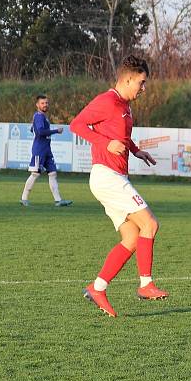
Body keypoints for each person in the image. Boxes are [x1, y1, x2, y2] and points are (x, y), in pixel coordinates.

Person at [71, 55, 166, 317]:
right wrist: (104, 144)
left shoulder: (124, 105)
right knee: (150, 224)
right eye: (141, 83)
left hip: (115, 177)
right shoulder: (107, 100)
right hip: (107, 176)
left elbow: (121, 136)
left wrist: (136, 151)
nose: (144, 88)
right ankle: (145, 284)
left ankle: (97, 288)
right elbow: (76, 125)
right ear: (127, 79)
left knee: (133, 238)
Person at [19, 95, 73, 207]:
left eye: (46, 103)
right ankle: (24, 199)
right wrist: (56, 131)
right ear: (37, 105)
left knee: (52, 173)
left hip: (47, 149)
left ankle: (58, 200)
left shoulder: (42, 117)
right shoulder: (39, 116)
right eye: (42, 103)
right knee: (35, 174)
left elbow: (34, 129)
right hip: (39, 150)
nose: (45, 105)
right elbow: (41, 132)